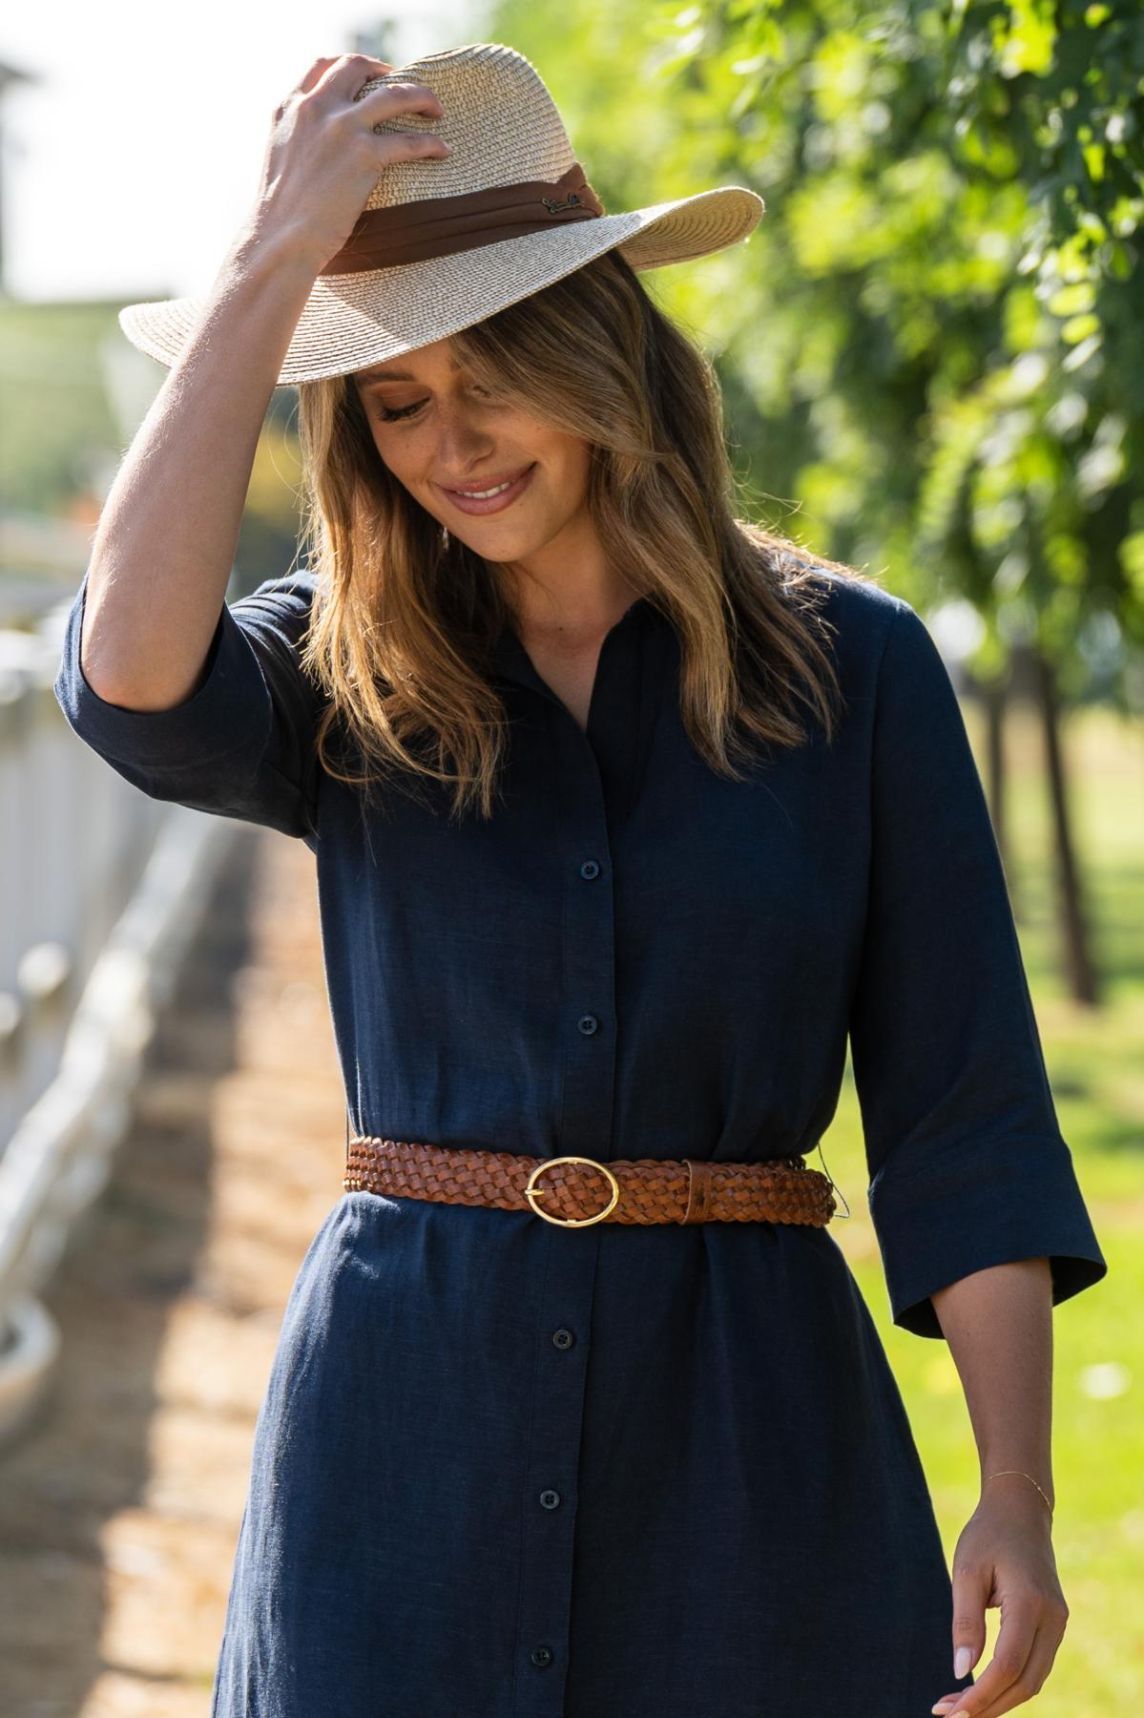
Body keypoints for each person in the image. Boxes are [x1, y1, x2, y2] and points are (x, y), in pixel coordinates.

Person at [53, 40, 1108, 1718]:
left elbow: (961, 1117)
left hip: (754, 1453)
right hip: (403, 1443)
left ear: (604, 344)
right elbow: (126, 679)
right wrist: (269, 274)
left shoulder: (859, 671)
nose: (449, 444)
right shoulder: (349, 669)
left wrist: (1022, 1497)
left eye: (495, 379)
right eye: (395, 402)